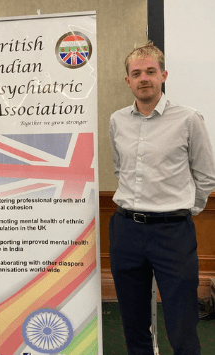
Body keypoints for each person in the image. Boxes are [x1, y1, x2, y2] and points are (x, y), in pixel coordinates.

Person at [109, 42, 215, 355]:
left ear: (163, 75)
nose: (144, 78)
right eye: (136, 73)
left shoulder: (188, 120)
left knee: (182, 322)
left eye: (150, 71)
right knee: (133, 319)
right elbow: (120, 169)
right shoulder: (117, 121)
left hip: (173, 234)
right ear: (128, 81)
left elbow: (206, 176)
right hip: (126, 230)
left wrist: (183, 211)